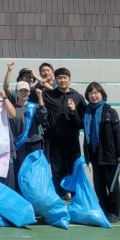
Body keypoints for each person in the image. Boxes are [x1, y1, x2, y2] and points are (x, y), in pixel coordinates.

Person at [83, 82, 120, 223]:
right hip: (95, 153)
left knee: (112, 184)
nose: (94, 95)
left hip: (110, 154)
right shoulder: (87, 112)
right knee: (99, 184)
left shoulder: (110, 111)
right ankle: (104, 209)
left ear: (102, 94)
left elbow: (118, 134)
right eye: (91, 93)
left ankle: (114, 212)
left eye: (96, 92)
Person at [42, 67, 86, 198]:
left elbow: (83, 121)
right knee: (56, 169)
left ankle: (74, 193)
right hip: (54, 139)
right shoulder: (48, 95)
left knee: (73, 167)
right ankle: (59, 193)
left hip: (72, 139)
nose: (62, 80)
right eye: (59, 78)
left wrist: (73, 111)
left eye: (65, 78)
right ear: (55, 80)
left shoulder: (78, 97)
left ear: (70, 80)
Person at [0, 81, 47, 191]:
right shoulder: (11, 108)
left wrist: (40, 98)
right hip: (19, 145)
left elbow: (43, 119)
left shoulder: (34, 107)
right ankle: (20, 196)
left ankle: (36, 197)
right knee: (19, 171)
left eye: (26, 90)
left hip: (35, 143)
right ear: (16, 92)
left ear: (29, 92)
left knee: (35, 171)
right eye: (20, 90)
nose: (23, 93)